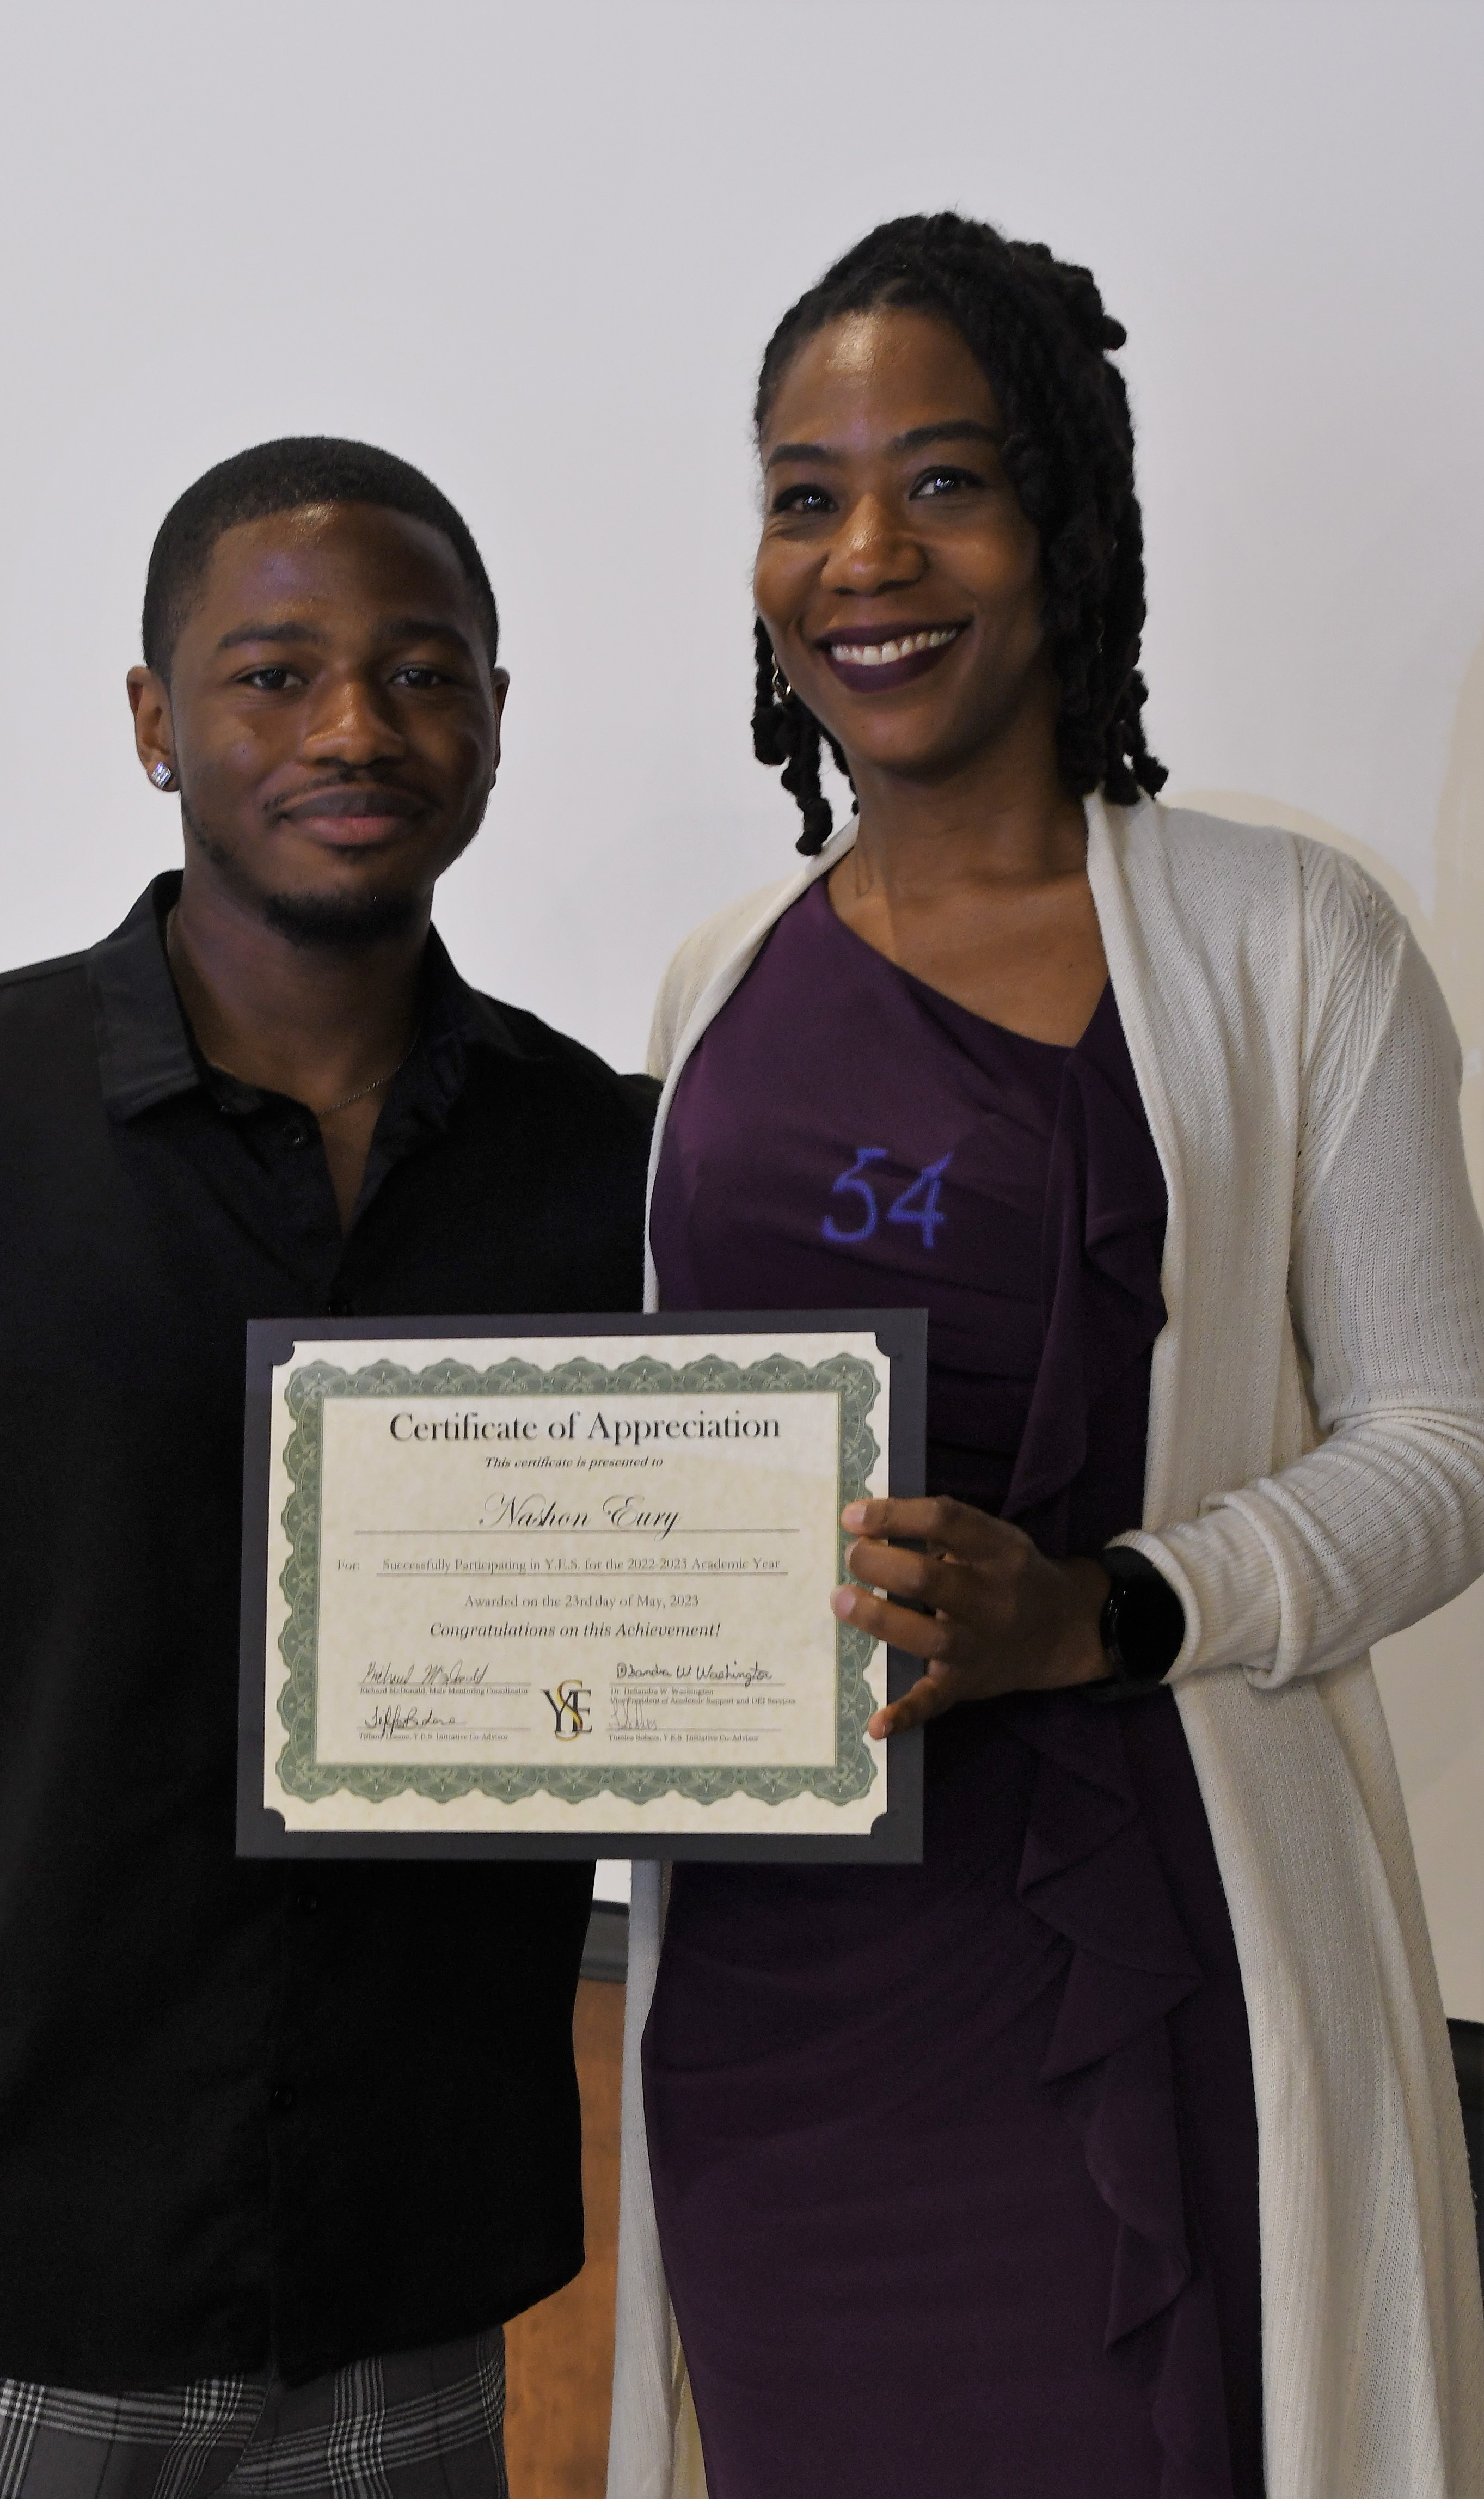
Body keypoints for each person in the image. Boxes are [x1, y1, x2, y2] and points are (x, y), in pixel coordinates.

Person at [606, 216, 1484, 2499]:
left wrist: (1109, 1605)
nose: (863, 554)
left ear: (1066, 522)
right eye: (803, 493)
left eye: (945, 482)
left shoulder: (1293, 939)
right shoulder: (715, 984)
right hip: (773, 2026)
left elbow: (1449, 1439)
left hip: (1134, 1961)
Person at [0, 437, 654, 2499]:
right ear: (153, 721)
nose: (355, 728)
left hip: (419, 2292)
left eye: (425, 674)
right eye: (273, 672)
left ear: (497, 720)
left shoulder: (615, 1171)